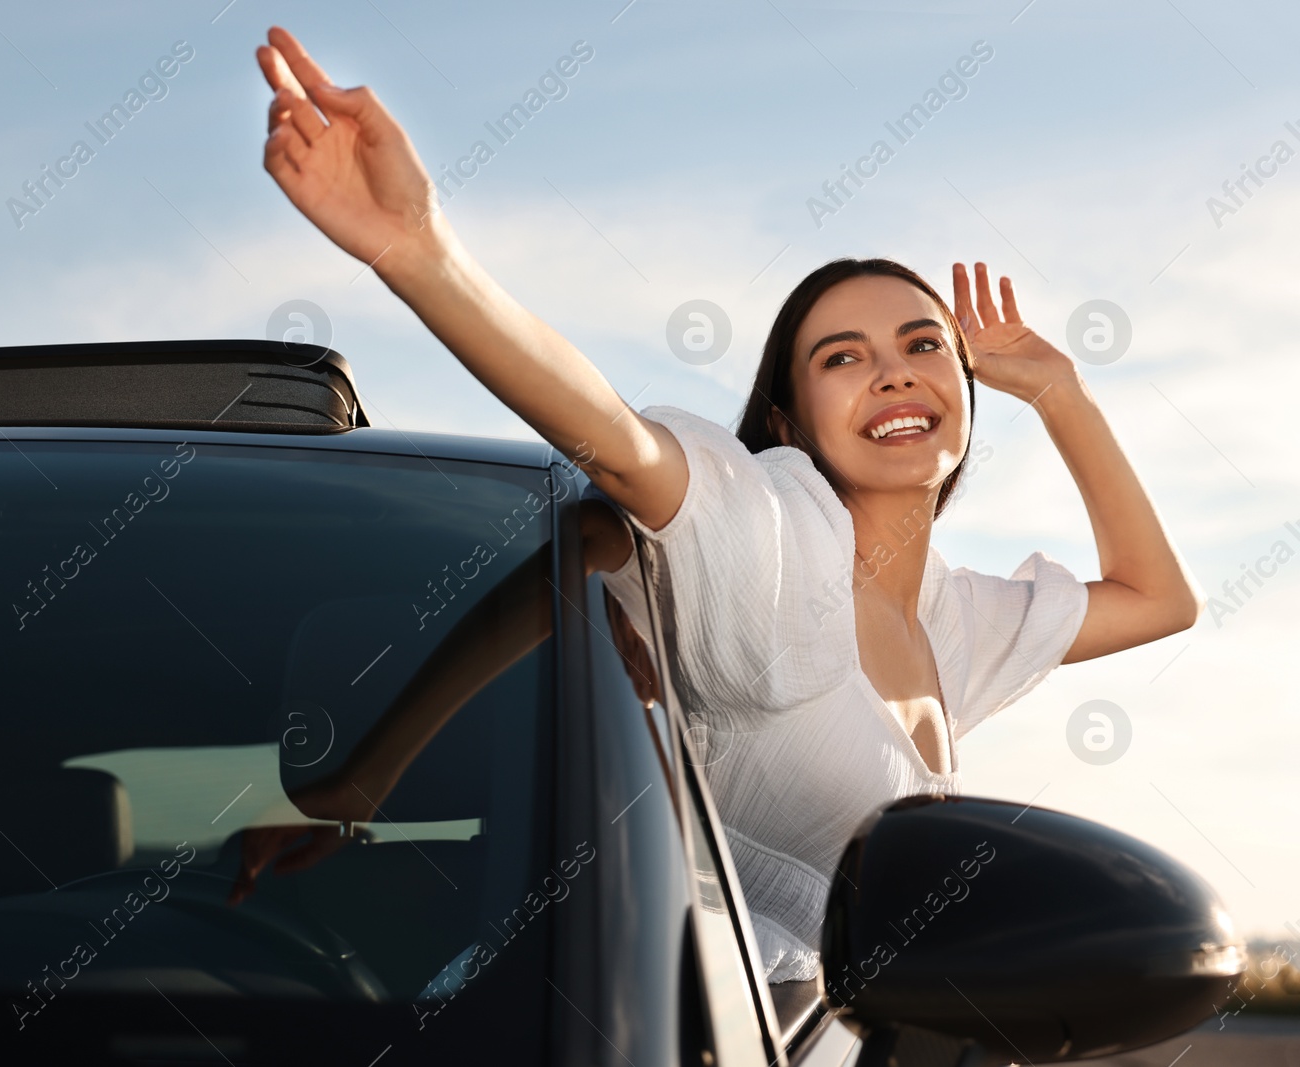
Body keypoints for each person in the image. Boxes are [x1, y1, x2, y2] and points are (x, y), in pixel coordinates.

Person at [239, 25, 1204, 981]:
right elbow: (616, 446)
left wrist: (1059, 392)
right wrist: (420, 252)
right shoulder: (777, 538)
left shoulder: (958, 617)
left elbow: (1161, 598)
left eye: (923, 346)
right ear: (786, 424)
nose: (895, 375)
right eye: (844, 357)